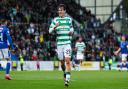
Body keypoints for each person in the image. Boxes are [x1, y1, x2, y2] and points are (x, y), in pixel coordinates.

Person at [49, 4, 74, 87]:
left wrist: (71, 31)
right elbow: (49, 31)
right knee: (62, 62)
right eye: (59, 10)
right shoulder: (55, 20)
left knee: (67, 60)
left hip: (67, 43)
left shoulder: (69, 20)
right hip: (59, 44)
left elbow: (71, 28)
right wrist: (55, 27)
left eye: (61, 10)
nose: (59, 11)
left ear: (64, 11)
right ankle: (64, 72)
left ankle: (67, 79)